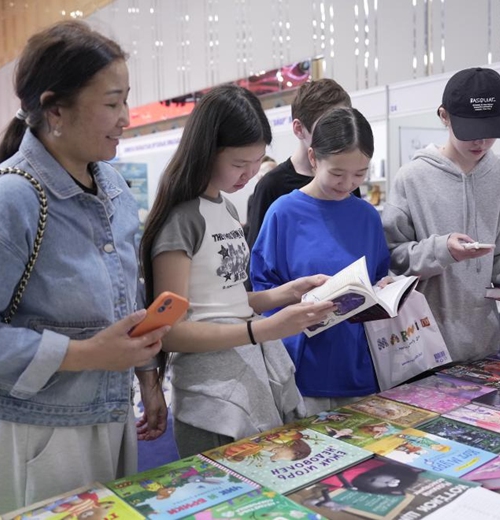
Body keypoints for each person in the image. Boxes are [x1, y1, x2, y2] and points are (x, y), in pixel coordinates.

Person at [0, 21, 169, 515]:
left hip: (110, 413)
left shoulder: (114, 188)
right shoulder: (9, 199)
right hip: (38, 430)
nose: (125, 117)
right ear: (55, 108)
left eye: (126, 100)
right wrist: (85, 353)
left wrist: (146, 377)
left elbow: (127, 300)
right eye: (112, 103)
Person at [140, 84, 336, 458]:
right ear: (207, 151)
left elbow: (221, 297)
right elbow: (170, 331)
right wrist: (264, 328)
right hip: (211, 396)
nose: (248, 174)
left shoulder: (226, 209)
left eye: (255, 162)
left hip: (244, 370)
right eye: (238, 164)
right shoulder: (182, 219)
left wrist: (286, 293)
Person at [382, 67, 500, 363]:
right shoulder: (411, 178)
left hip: (484, 346)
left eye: (490, 132)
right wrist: (442, 249)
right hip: (421, 345)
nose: (481, 142)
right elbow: (394, 258)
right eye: (471, 131)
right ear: (444, 116)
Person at [251, 107, 390, 416]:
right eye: (337, 173)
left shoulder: (367, 216)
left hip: (359, 367)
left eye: (360, 174)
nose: (348, 184)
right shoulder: (283, 213)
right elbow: (262, 291)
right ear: (313, 158)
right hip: (301, 369)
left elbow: (379, 276)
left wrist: (388, 285)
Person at [245, 79, 355, 250]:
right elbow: (256, 264)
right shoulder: (272, 186)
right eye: (327, 126)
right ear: (298, 128)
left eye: (343, 125)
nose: (338, 134)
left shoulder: (346, 178)